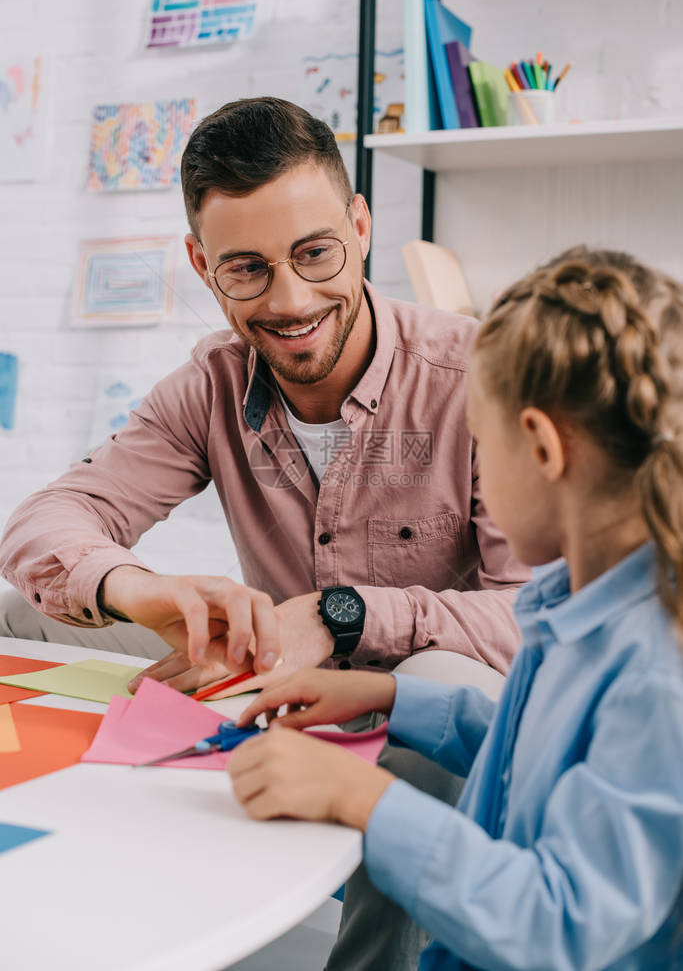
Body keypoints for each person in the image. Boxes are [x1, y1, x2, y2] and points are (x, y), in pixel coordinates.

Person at [0, 97, 527, 970]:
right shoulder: (211, 383)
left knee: (438, 686)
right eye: (246, 269)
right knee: (22, 611)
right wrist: (145, 590)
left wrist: (344, 614)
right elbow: (43, 523)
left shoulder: (474, 375)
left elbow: (535, 617)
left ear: (359, 227)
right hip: (275, 655)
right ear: (202, 265)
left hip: (426, 681)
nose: (289, 300)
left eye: (314, 253)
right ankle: (69, 880)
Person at [229, 247, 683, 970]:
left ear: (538, 446)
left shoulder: (654, 675)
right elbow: (529, 752)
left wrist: (362, 796)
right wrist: (387, 693)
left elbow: (558, 926)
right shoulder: (573, 604)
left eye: (480, 440)